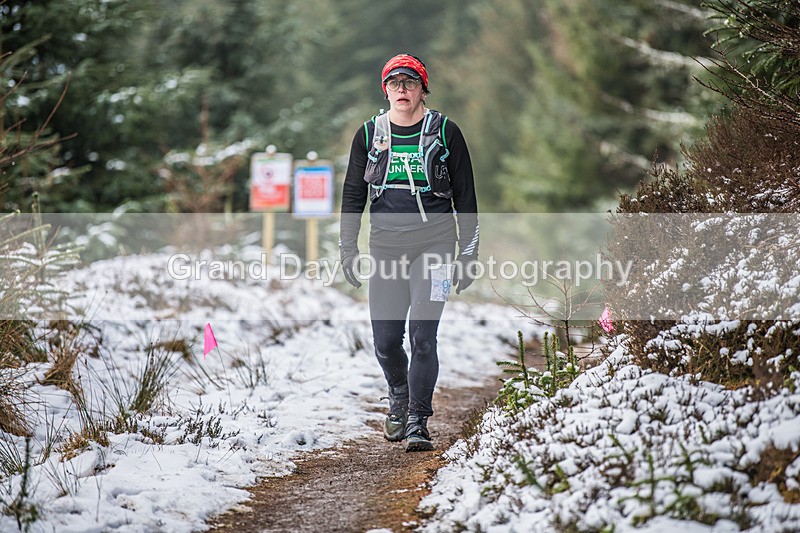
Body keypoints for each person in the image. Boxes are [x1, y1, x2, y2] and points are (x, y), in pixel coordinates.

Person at [339, 53, 479, 452]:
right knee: (385, 341)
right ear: (385, 90)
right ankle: (398, 394)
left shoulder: (446, 131)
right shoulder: (369, 134)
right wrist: (348, 247)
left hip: (436, 244)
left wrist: (468, 254)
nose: (402, 89)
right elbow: (353, 194)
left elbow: (466, 198)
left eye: (410, 82)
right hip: (385, 246)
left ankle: (418, 419)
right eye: (394, 83)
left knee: (423, 335)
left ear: (423, 89)